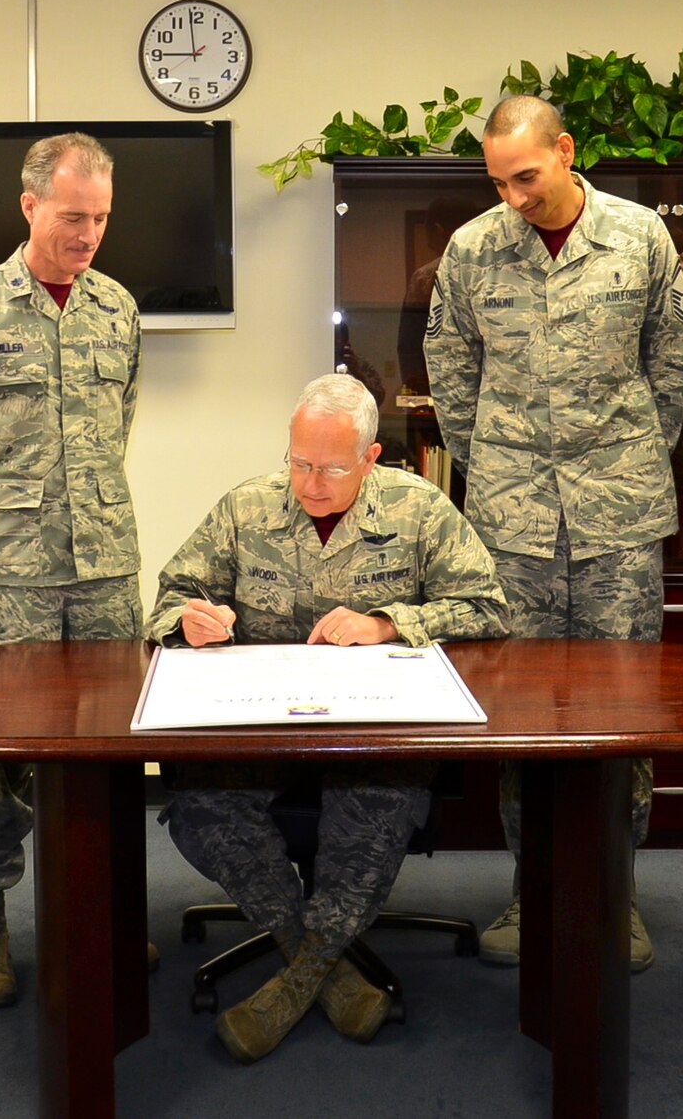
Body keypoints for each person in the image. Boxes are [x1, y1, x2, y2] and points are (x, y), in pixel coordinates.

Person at [149, 375, 506, 1063]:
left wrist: (388, 624)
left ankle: (300, 977)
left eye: (332, 468)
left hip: (372, 732)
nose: (309, 485)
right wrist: (192, 619)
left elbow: (488, 609)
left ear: (371, 459)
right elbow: (169, 598)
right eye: (299, 463)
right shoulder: (244, 508)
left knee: (377, 801)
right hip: (258, 726)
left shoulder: (420, 510)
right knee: (201, 804)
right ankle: (324, 968)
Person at [422, 93, 683, 970]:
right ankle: (531, 888)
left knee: (623, 715)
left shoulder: (642, 238)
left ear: (567, 152)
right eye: (498, 182)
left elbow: (672, 363)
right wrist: (496, 465)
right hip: (512, 529)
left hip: (619, 521)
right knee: (520, 717)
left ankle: (617, 893)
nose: (513, 198)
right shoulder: (473, 250)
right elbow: (451, 368)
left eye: (527, 177)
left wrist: (625, 457)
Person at [0, 130, 145, 1007]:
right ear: (30, 207)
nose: (87, 234)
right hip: (7, 575)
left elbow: (119, 421)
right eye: (72, 216)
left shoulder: (117, 309)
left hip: (105, 569)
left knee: (109, 748)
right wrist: (5, 519)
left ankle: (105, 915)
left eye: (101, 218)